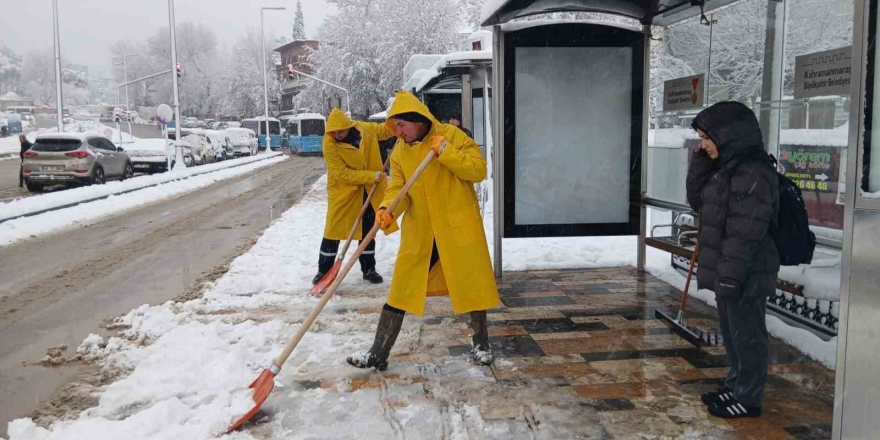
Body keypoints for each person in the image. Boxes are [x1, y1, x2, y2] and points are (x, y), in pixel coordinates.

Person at [346, 91, 499, 371]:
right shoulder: (401, 152)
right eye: (395, 127)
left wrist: (446, 152)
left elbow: (478, 170)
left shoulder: (451, 136)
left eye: (401, 125)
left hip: (456, 229)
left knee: (471, 284)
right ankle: (378, 352)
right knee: (402, 288)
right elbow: (398, 188)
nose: (398, 132)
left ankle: (482, 344)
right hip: (422, 232)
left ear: (418, 120)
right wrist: (387, 209)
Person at [685, 101, 780, 419]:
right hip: (730, 267)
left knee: (748, 336)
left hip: (747, 270)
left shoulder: (752, 171)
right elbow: (700, 203)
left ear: (727, 135)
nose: (703, 145)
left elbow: (745, 232)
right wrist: (702, 162)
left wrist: (730, 275)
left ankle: (749, 399)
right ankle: (736, 385)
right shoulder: (726, 169)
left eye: (706, 138)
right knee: (733, 334)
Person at [314, 108, 398, 286]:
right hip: (343, 192)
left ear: (349, 126)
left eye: (340, 131)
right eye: (333, 132)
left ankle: (369, 269)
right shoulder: (329, 143)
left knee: (368, 230)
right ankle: (323, 271)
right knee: (333, 231)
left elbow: (383, 131)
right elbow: (342, 174)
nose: (337, 135)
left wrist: (398, 121)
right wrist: (371, 176)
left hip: (370, 190)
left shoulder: (365, 129)